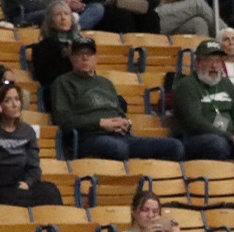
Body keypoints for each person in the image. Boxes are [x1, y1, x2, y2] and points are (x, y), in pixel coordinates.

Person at [50, 38, 184, 162]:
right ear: (72, 58)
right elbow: (64, 120)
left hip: (120, 136)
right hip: (89, 137)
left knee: (174, 146)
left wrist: (124, 122)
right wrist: (101, 123)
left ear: (96, 58)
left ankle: (151, 180)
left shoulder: (106, 83)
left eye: (89, 54)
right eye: (79, 54)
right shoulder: (63, 83)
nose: (85, 57)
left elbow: (117, 111)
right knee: (117, 148)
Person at [0, 83, 64, 207]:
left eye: (17, 99)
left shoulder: (27, 131)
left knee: (50, 191)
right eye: (8, 101)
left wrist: (28, 183)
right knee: (13, 198)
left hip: (20, 183)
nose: (15, 105)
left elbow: (34, 167)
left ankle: (51, 226)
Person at [171, 40, 234, 162]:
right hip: (197, 138)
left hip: (230, 137)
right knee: (217, 145)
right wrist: (230, 138)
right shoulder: (186, 85)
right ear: (197, 63)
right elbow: (195, 122)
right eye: (209, 60)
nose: (214, 66)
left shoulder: (226, 83)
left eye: (218, 61)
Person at [30, 1, 82, 94]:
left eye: (66, 14)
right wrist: (70, 60)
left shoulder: (81, 42)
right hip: (59, 94)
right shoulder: (41, 48)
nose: (63, 18)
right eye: (58, 15)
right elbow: (47, 80)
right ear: (51, 23)